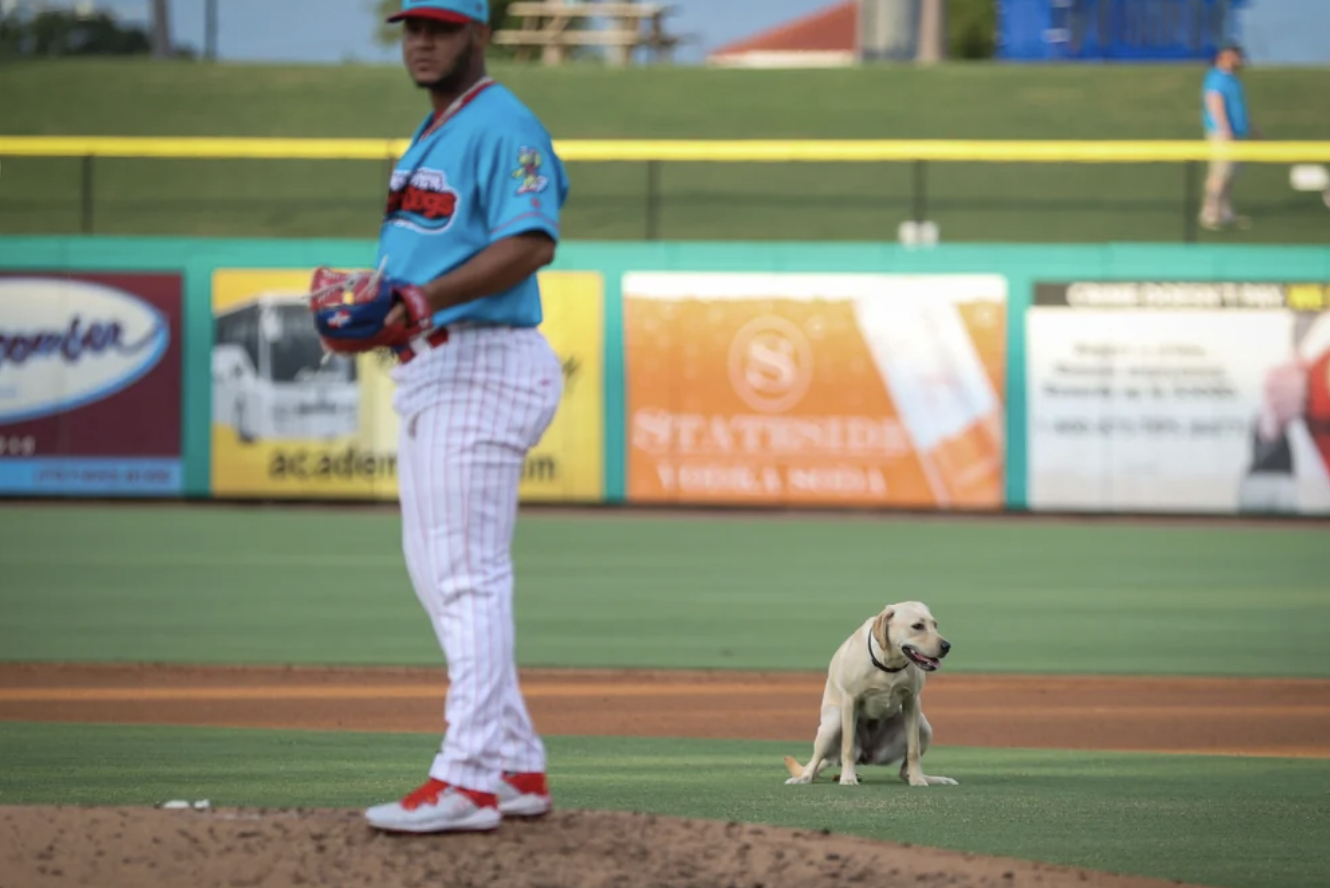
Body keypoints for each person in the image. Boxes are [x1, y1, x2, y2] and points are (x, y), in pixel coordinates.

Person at [359, 0, 569, 834]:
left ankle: (468, 780)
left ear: (478, 32)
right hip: (438, 363)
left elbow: (531, 242)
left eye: (439, 27)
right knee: (440, 576)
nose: (421, 41)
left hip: (482, 359)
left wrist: (420, 298)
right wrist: (382, 305)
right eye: (411, 27)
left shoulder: (504, 125)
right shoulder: (435, 130)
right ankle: (514, 763)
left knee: (468, 577)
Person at [1200, 43, 1262, 231]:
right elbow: (1214, 103)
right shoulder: (1217, 77)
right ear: (1224, 56)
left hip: (1237, 134)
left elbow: (1239, 109)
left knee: (1230, 176)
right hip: (1224, 135)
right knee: (1219, 174)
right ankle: (1210, 212)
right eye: (1235, 56)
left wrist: (1253, 130)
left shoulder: (1233, 79)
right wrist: (1224, 129)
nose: (1239, 60)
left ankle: (1225, 212)